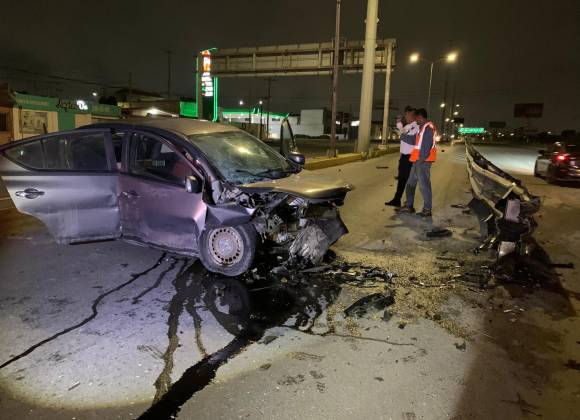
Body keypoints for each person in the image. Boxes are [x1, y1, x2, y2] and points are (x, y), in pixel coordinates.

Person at [396, 108, 437, 217]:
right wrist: (402, 135)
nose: (415, 121)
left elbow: (426, 148)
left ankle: (427, 209)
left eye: (416, 118)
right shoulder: (421, 129)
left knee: (424, 186)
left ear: (420, 117)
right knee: (410, 183)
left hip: (423, 162)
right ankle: (409, 206)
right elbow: (414, 140)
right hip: (416, 161)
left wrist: (420, 162)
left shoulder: (428, 129)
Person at [385, 106, 419, 207]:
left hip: (410, 157)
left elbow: (410, 139)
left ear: (413, 115)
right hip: (404, 156)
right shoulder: (409, 126)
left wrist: (401, 133)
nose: (406, 117)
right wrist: (399, 123)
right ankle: (397, 200)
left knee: (407, 180)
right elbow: (401, 132)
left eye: (408, 115)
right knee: (402, 179)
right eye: (406, 115)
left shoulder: (416, 126)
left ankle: (408, 203)